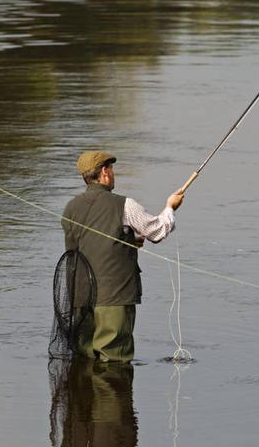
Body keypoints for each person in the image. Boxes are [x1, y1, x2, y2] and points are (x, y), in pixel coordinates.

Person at [61, 150, 183, 362]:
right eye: (112, 169)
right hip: (114, 297)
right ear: (105, 172)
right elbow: (156, 231)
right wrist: (170, 207)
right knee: (114, 360)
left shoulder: (70, 208)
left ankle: (85, 395)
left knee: (86, 358)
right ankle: (112, 396)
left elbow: (88, 242)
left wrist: (127, 242)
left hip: (79, 295)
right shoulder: (125, 205)